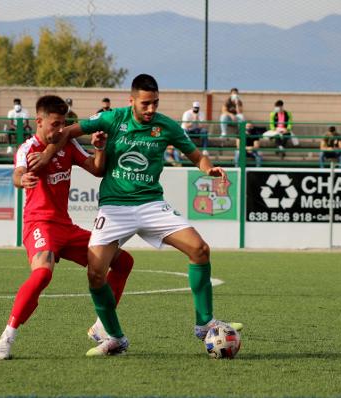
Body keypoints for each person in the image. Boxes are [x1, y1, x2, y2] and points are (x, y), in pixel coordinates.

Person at [49, 74, 242, 356]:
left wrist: (209, 169)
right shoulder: (112, 118)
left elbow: (196, 155)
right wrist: (46, 155)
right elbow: (67, 131)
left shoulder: (166, 126)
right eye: (145, 104)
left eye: (155, 103)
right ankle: (114, 337)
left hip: (151, 204)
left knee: (199, 250)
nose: (151, 109)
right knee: (95, 274)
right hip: (114, 207)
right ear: (132, 101)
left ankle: (204, 324)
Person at [0, 95, 134, 360]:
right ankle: (7, 336)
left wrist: (100, 147)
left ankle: (101, 325)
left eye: (63, 124)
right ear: (39, 121)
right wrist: (22, 179)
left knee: (123, 262)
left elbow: (96, 169)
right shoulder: (28, 147)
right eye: (55, 124)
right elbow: (17, 173)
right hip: (39, 224)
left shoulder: (67, 144)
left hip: (66, 227)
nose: (60, 129)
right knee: (43, 274)